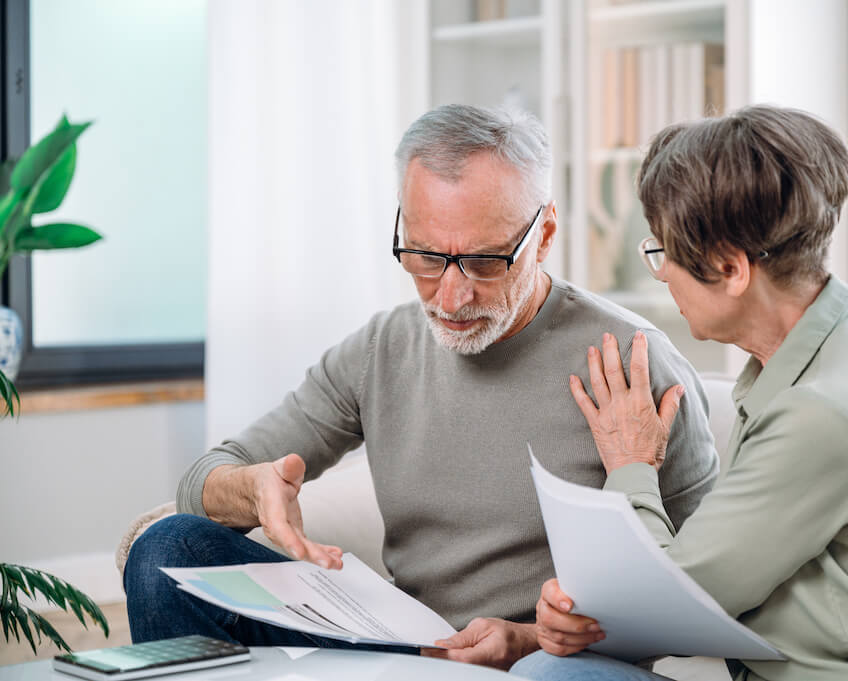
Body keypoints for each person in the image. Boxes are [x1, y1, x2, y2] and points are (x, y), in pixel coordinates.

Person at [123, 104, 719, 671]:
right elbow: (202, 481)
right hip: (404, 651)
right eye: (426, 257)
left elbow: (708, 592)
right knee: (168, 548)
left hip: (550, 663)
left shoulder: (632, 362)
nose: (451, 298)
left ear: (543, 234)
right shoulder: (380, 350)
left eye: (486, 262)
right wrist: (250, 491)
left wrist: (529, 640)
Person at [512, 106, 848, 680]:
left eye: (664, 254)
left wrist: (630, 465)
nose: (662, 274)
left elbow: (670, 608)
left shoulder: (822, 413)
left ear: (730, 269)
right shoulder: (836, 344)